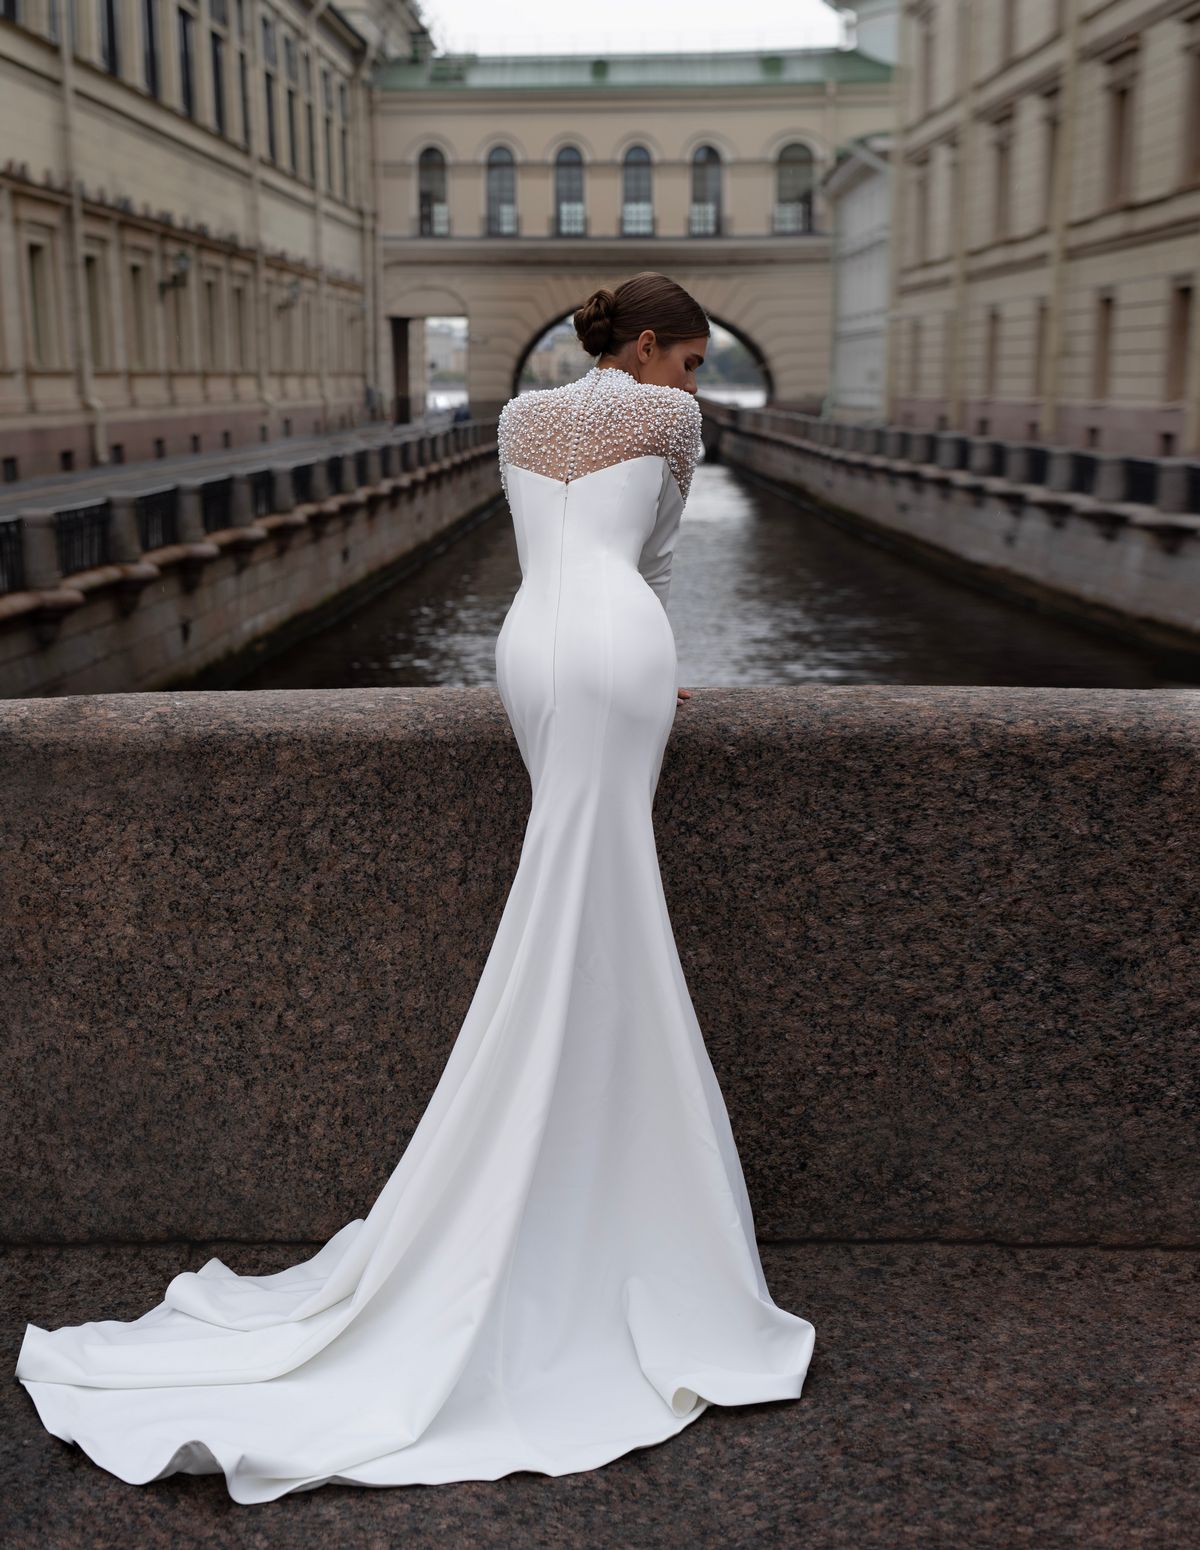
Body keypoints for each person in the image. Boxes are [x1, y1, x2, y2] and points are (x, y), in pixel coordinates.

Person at [13, 271, 815, 1505]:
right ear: (650, 348)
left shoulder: (514, 420)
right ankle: (597, 1178)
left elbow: (545, 544)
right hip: (615, 643)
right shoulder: (667, 423)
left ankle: (536, 1160)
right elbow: (652, 557)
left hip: (526, 650)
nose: (697, 383)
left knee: (579, 887)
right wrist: (654, 655)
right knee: (604, 895)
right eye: (693, 360)